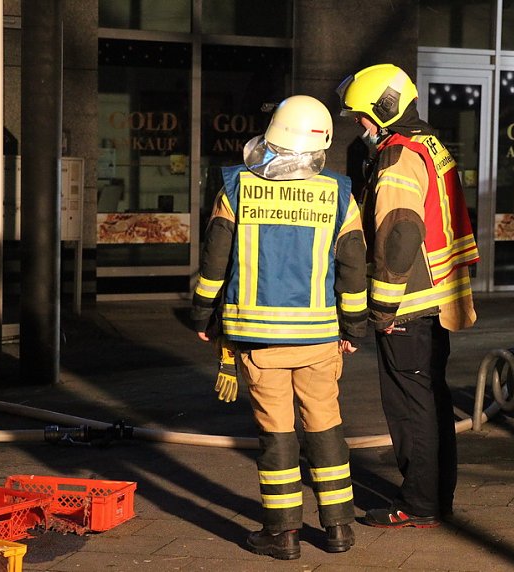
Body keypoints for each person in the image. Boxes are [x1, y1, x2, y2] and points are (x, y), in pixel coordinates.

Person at [191, 95, 368, 560]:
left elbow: (215, 263)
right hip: (319, 341)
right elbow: (353, 271)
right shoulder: (339, 194)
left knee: (278, 436)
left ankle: (284, 533)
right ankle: (339, 528)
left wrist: (202, 316)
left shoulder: (237, 188)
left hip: (259, 340)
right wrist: (354, 329)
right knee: (326, 428)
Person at [336, 64, 479, 528]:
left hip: (409, 306)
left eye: (362, 117)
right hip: (437, 299)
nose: (360, 126)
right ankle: (436, 499)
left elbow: (400, 232)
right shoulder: (431, 146)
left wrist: (380, 306)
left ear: (384, 110)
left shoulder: (398, 155)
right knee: (432, 403)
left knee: (410, 409)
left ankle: (418, 505)